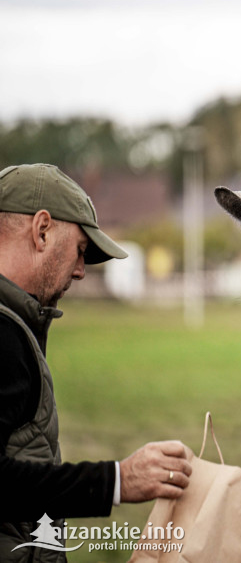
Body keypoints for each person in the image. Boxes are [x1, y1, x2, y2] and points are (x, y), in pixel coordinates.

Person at [0, 164, 193, 560]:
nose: (80, 271)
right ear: (42, 231)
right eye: (80, 251)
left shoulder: (14, 325)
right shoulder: (4, 335)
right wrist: (119, 480)